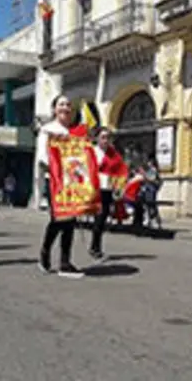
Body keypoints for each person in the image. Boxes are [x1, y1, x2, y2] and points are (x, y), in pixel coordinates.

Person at [35, 95, 84, 279]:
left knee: (70, 221)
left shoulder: (74, 132)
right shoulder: (47, 130)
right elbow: (42, 156)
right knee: (58, 219)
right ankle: (45, 251)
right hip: (55, 180)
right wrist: (57, 168)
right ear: (54, 109)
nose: (65, 107)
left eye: (68, 104)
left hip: (72, 181)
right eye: (61, 104)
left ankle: (65, 261)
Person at [90, 127, 125, 261]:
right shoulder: (92, 152)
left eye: (108, 138)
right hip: (95, 189)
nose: (106, 140)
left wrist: (117, 187)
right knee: (98, 219)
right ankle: (95, 248)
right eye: (103, 137)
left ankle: (95, 246)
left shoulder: (113, 154)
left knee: (102, 219)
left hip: (107, 189)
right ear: (97, 138)